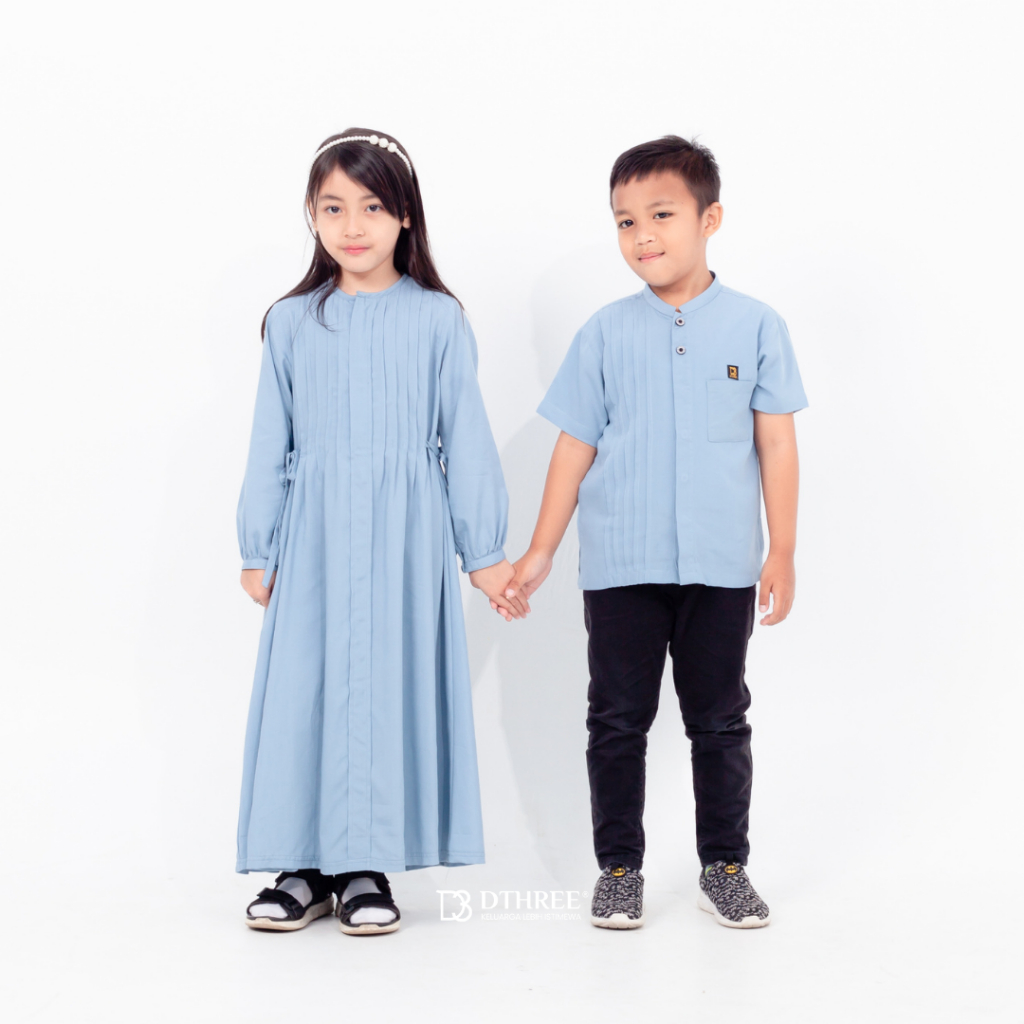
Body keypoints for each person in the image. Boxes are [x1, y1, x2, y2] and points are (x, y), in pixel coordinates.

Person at [504, 135, 807, 930]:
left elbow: (776, 444)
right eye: (625, 220)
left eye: (661, 215)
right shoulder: (605, 333)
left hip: (722, 567)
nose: (642, 235)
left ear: (710, 218)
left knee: (720, 720)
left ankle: (725, 866)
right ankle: (618, 870)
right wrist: (540, 550)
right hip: (621, 566)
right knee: (616, 722)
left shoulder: (756, 326)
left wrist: (781, 550)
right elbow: (574, 446)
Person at [235, 129, 523, 936]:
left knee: (386, 688)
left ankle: (365, 865)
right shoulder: (291, 322)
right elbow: (269, 440)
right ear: (311, 216)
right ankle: (302, 866)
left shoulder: (437, 319)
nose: (352, 225)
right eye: (333, 208)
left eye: (371, 206)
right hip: (313, 535)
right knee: (305, 691)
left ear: (404, 217)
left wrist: (484, 553)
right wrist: (258, 545)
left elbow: (466, 437)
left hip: (406, 537)